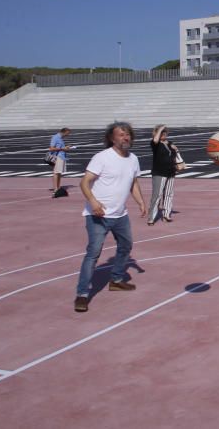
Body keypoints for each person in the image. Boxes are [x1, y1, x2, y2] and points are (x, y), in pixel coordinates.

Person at [73, 122, 147, 313]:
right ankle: (82, 294)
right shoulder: (102, 158)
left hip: (121, 215)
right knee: (93, 253)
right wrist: (94, 202)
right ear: (111, 138)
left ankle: (116, 280)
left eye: (128, 134)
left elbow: (133, 183)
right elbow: (84, 183)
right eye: (121, 135)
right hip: (98, 215)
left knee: (126, 246)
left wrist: (140, 202)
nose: (125, 138)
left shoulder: (133, 159)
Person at [147, 124, 179, 225]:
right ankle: (151, 217)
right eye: (162, 133)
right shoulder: (155, 144)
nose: (164, 134)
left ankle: (166, 214)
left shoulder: (169, 143)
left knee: (169, 194)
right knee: (157, 195)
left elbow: (174, 155)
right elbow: (155, 140)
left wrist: (176, 150)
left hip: (170, 172)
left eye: (165, 133)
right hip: (159, 173)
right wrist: (159, 129)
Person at [48, 127, 74, 195]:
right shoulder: (55, 137)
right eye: (67, 133)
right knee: (56, 172)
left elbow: (60, 148)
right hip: (57, 157)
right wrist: (63, 148)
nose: (67, 135)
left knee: (59, 172)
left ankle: (58, 187)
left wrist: (66, 147)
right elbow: (51, 148)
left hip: (61, 157)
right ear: (64, 132)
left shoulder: (60, 138)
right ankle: (56, 188)